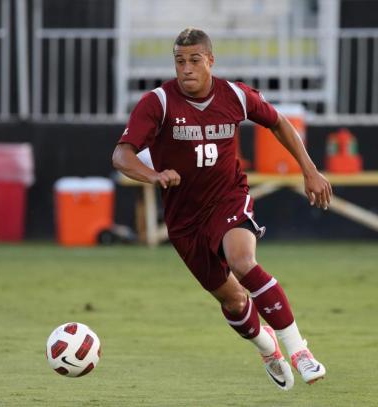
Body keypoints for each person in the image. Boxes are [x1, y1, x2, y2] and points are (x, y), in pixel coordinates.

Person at [112, 27, 332, 391]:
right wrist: (152, 175)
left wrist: (310, 170)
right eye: (180, 61)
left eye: (195, 60)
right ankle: (267, 348)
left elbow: (278, 122)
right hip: (184, 220)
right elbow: (121, 155)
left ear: (210, 61)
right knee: (231, 300)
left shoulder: (235, 95)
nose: (187, 69)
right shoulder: (158, 102)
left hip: (228, 197)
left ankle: (300, 351)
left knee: (243, 262)